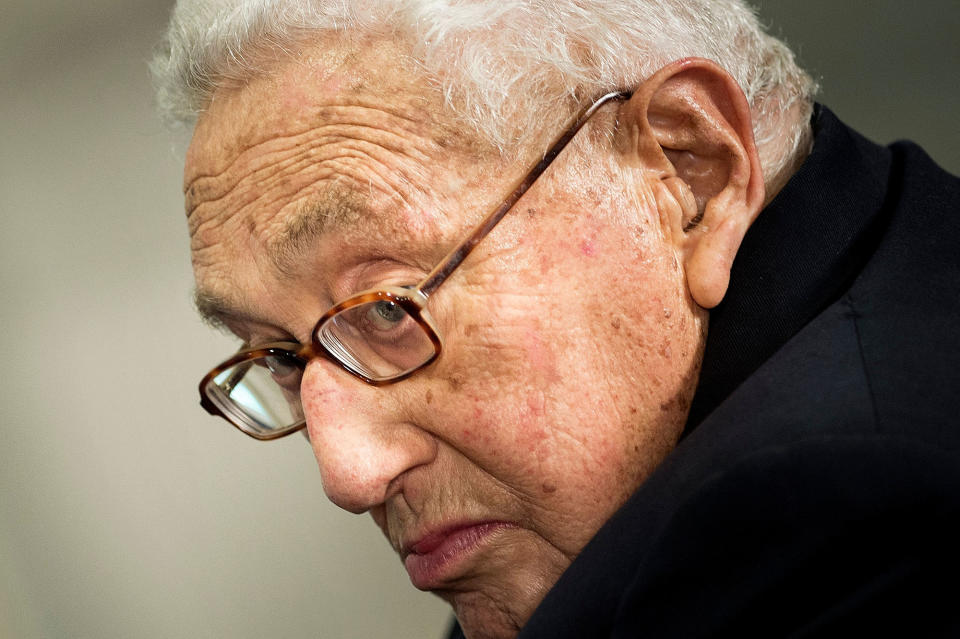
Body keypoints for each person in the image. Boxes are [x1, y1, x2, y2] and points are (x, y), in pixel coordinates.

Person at [152, 1, 960, 637]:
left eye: (389, 309)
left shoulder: (848, 524)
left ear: (689, 173)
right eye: (282, 359)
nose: (349, 474)